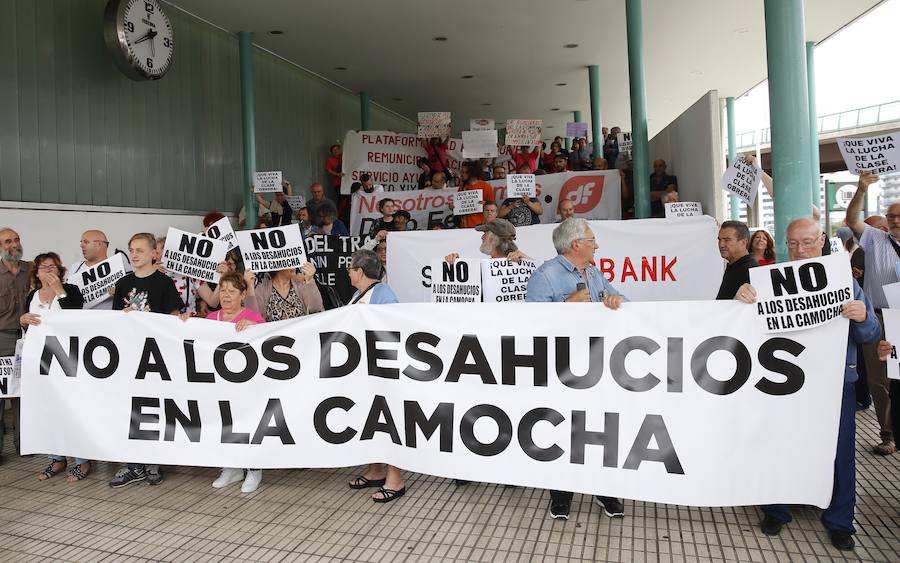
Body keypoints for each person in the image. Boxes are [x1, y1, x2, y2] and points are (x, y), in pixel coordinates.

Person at [734, 217, 879, 551]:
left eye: (807, 242)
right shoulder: (770, 281)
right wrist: (741, 299)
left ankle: (840, 521)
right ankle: (776, 509)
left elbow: (871, 334)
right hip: (784, 385)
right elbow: (746, 328)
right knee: (779, 446)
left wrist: (862, 317)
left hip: (834, 385)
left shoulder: (843, 280)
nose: (799, 250)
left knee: (840, 454)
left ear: (822, 240)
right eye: (793, 243)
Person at [525, 218, 626, 520]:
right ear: (576, 244)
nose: (597, 244)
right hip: (562, 367)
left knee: (598, 428)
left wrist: (615, 300)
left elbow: (623, 300)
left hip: (597, 364)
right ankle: (561, 494)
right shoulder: (545, 275)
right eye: (592, 239)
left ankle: (603, 490)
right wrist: (565, 305)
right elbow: (529, 323)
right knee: (561, 429)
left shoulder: (594, 272)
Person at [109, 233, 183, 488]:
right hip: (130, 354)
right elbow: (116, 319)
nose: (135, 254)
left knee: (154, 407)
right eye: (131, 250)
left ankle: (153, 461)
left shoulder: (164, 283)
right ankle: (133, 464)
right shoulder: (123, 282)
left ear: (154, 253)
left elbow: (174, 316)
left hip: (156, 355)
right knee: (131, 408)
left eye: (140, 249)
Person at [192, 271, 266, 493]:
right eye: (222, 290)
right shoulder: (211, 319)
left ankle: (253, 469)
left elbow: (265, 346)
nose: (225, 295)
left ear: (243, 294)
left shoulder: (254, 318)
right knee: (225, 423)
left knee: (248, 424)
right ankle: (231, 467)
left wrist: (253, 329)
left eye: (232, 291)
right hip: (218, 384)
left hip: (245, 386)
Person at [18, 252, 87, 482]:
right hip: (43, 362)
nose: (48, 270)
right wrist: (23, 320)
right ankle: (56, 458)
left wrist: (59, 290)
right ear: (36, 273)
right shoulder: (32, 295)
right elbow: (31, 328)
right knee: (49, 409)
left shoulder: (71, 291)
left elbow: (76, 316)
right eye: (43, 267)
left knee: (73, 408)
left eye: (52, 266)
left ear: (60, 270)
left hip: (69, 360)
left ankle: (82, 460)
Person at [345, 249, 406, 503]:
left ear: (360, 271)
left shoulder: (384, 294)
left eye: (350, 268)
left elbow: (393, 329)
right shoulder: (357, 295)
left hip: (383, 369)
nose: (348, 272)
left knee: (386, 420)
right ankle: (375, 469)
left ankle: (395, 478)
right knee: (370, 419)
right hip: (365, 369)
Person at [845, 171, 895, 455]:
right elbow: (852, 221)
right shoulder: (877, 240)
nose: (897, 220)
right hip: (880, 317)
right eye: (892, 216)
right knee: (879, 378)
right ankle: (887, 434)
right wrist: (861, 189)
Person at [0, 228, 28, 464]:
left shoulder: (31, 269)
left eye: (16, 240)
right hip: (2, 338)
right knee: (1, 395)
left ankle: (25, 443)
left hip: (29, 338)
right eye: (8, 241)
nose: (14, 244)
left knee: (25, 393)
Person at [67, 229, 130, 309]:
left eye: (86, 242)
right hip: (81, 319)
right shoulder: (75, 267)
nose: (81, 245)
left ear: (99, 244)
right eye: (81, 242)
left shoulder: (121, 266)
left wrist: (120, 294)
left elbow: (132, 296)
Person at [243, 262, 323, 323]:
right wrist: (250, 286)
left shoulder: (300, 284)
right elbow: (253, 317)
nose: (294, 266)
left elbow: (316, 308)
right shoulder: (263, 288)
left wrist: (310, 280)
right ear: (278, 266)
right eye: (290, 263)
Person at [716, 221, 758, 300]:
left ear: (743, 242)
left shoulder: (751, 270)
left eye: (727, 240)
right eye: (719, 239)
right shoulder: (734, 265)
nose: (721, 244)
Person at [448, 161, 494, 229]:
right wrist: (453, 207)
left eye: (464, 172)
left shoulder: (485, 186)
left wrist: (486, 205)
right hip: (464, 227)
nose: (462, 174)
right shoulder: (462, 187)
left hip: (480, 226)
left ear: (472, 173)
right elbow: (459, 208)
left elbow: (493, 208)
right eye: (462, 172)